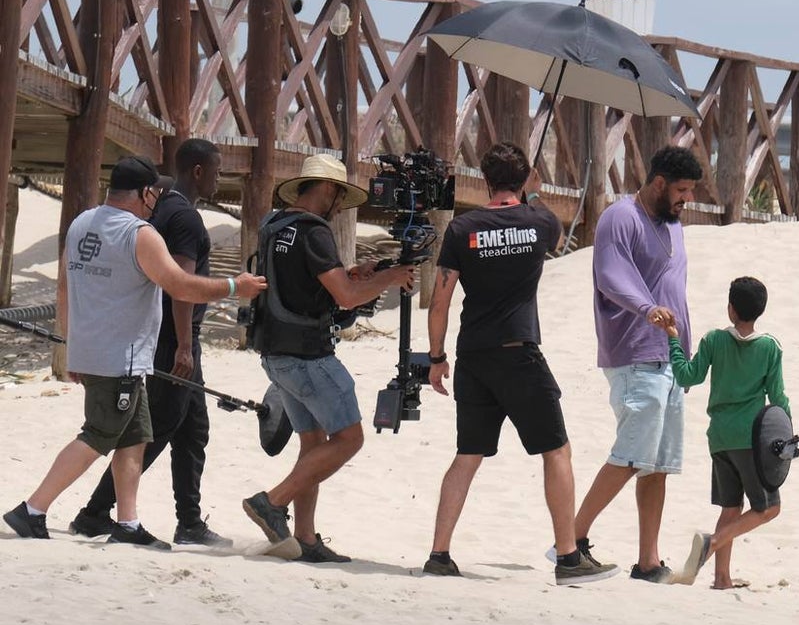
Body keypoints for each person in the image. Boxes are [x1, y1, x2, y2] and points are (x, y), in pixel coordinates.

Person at [3, 156, 266, 546]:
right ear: (145, 193)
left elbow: (64, 286)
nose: (157, 201)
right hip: (118, 356)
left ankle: (127, 524)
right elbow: (180, 286)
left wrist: (71, 343)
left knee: (136, 434)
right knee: (99, 434)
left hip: (93, 349)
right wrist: (233, 286)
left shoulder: (81, 222)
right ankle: (32, 510)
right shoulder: (140, 234)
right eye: (155, 194)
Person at [421, 142, 618, 586]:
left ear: (485, 180)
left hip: (473, 354)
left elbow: (439, 303)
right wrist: (532, 193)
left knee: (467, 455)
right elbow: (545, 223)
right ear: (527, 178)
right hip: (519, 351)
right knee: (556, 450)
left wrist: (436, 358)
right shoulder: (541, 221)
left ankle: (439, 553)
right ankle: (568, 557)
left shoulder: (462, 228)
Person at [242, 154, 415, 563]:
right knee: (349, 438)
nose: (339, 206)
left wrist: (355, 272)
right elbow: (347, 298)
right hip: (308, 356)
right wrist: (389, 278)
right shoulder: (315, 232)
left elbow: (305, 284)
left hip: (275, 353)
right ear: (330, 189)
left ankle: (305, 538)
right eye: (339, 196)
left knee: (313, 443)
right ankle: (272, 501)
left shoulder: (276, 225)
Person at [69, 139, 231, 546]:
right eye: (216, 169)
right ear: (198, 171)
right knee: (152, 429)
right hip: (175, 339)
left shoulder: (158, 207)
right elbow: (181, 288)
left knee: (193, 428)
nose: (220, 177)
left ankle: (189, 522)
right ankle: (94, 513)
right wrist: (181, 346)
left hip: (159, 334)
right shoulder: (186, 219)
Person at [569, 146, 703, 584]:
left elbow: (675, 289)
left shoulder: (674, 226)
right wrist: (647, 309)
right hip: (634, 354)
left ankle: (648, 561)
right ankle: (570, 541)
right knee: (630, 456)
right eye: (682, 191)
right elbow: (610, 276)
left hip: (669, 359)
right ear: (659, 183)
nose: (687, 200)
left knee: (658, 464)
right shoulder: (619, 217)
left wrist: (686, 350)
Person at [658, 276, 789, 589]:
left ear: (731, 310)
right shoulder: (770, 347)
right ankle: (712, 542)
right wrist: (788, 437)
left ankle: (722, 578)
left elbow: (688, 375)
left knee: (731, 507)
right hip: (751, 440)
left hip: (718, 439)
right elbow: (778, 397)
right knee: (769, 507)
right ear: (761, 311)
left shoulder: (714, 340)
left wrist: (673, 340)